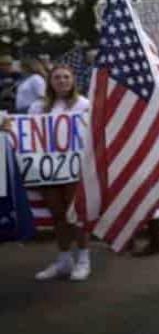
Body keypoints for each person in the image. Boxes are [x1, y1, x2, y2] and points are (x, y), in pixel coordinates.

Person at [29, 64, 91, 281]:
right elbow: (29, 135)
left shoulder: (84, 105)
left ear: (73, 80)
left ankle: (84, 259)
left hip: (75, 170)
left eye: (66, 77)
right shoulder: (38, 107)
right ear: (50, 81)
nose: (62, 81)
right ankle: (64, 259)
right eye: (57, 77)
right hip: (48, 171)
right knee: (57, 215)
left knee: (76, 215)